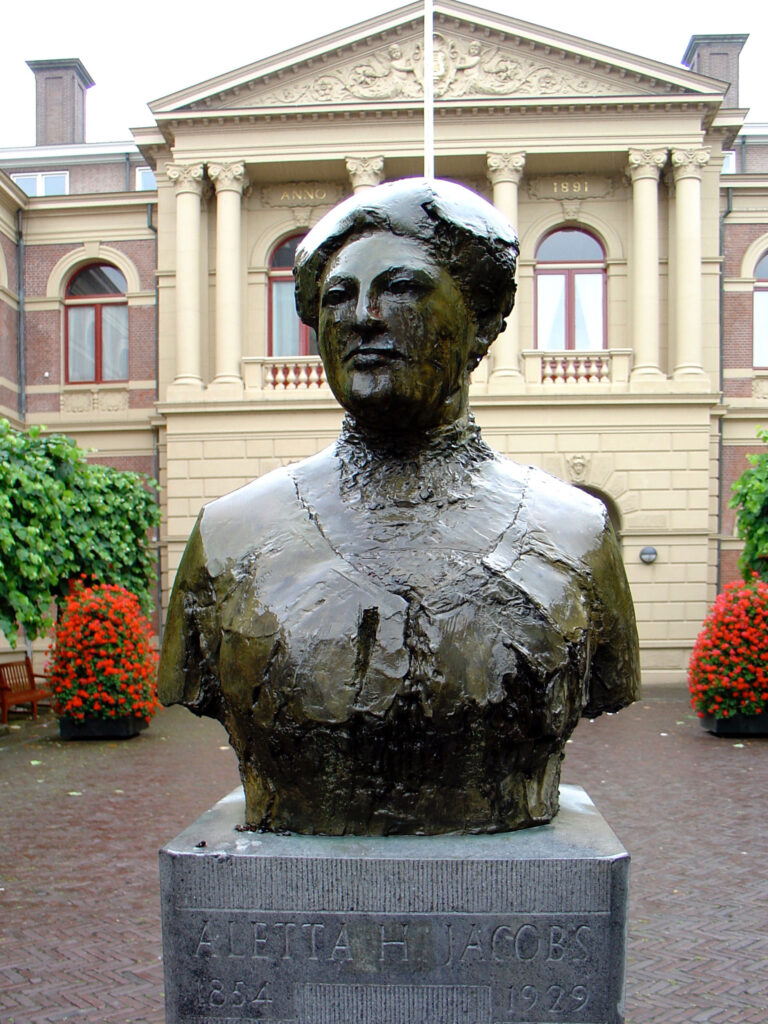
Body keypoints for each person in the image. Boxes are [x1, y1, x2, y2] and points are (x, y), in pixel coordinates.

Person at [158, 178, 640, 835]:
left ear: (481, 321)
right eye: (338, 296)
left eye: (402, 288)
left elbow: (608, 686)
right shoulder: (229, 533)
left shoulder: (578, 531)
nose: (362, 315)